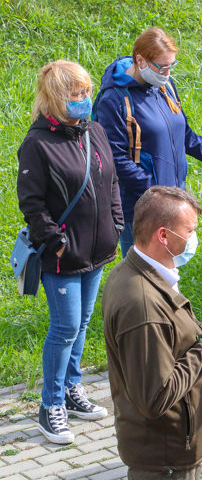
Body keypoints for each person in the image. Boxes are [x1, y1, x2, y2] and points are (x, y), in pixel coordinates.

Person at [102, 186, 202, 480]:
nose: (194, 238)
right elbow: (156, 396)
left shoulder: (135, 273)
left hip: (172, 452)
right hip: (164, 463)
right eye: (189, 231)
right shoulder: (143, 303)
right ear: (163, 236)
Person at [16, 60, 123, 445]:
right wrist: (56, 241)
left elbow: (110, 180)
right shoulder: (37, 144)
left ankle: (72, 389)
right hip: (61, 257)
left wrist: (116, 222)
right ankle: (50, 405)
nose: (83, 100)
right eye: (74, 95)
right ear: (56, 99)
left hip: (95, 251)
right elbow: (31, 204)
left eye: (85, 92)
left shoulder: (94, 131)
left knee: (81, 324)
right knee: (63, 328)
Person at [94, 27, 202, 257]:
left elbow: (185, 136)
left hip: (172, 203)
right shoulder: (114, 100)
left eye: (171, 66)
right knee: (143, 280)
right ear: (140, 60)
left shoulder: (166, 87)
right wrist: (158, 193)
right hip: (141, 208)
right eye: (162, 66)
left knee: (170, 273)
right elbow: (116, 160)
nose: (167, 73)